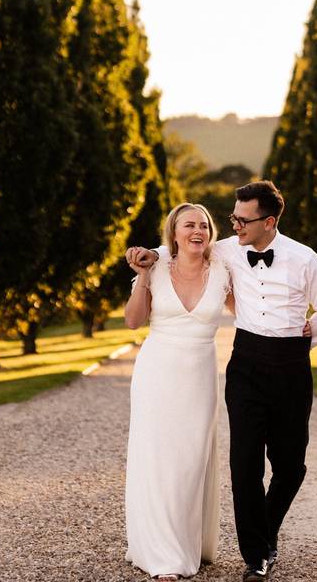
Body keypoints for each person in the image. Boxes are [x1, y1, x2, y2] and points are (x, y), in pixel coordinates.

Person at [127, 181, 317, 582]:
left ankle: (265, 532)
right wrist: (141, 254)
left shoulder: (305, 258)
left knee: (291, 466)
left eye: (242, 219)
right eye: (232, 218)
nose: (234, 226)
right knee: (244, 464)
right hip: (245, 364)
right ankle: (256, 555)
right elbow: (178, 248)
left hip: (292, 363)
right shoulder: (226, 250)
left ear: (269, 221)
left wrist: (305, 341)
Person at [123, 202, 234, 581]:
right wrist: (141, 273)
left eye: (203, 225)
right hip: (157, 372)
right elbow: (134, 321)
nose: (197, 231)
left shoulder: (222, 269)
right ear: (174, 232)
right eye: (189, 225)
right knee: (157, 459)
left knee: (190, 461)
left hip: (200, 376)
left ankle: (190, 542)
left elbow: (250, 311)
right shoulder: (154, 267)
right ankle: (161, 554)